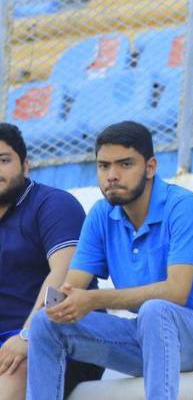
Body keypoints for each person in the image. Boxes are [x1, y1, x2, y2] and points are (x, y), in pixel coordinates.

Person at [27, 121, 193, 400]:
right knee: (45, 323)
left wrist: (92, 300)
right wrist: (60, 302)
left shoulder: (183, 206)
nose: (112, 176)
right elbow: (72, 286)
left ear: (150, 167)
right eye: (103, 166)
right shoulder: (101, 215)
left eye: (124, 164)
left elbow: (176, 292)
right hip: (149, 339)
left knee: (155, 310)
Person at [0, 123, 102, 399]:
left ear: (26, 165)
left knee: (14, 368)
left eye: (4, 160)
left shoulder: (53, 205)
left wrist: (28, 334)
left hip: (61, 337)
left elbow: (65, 274)